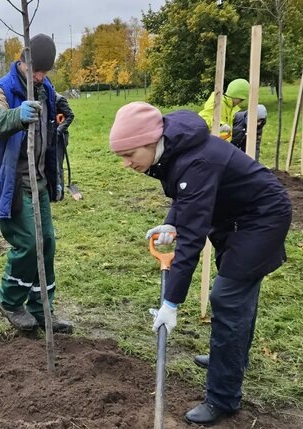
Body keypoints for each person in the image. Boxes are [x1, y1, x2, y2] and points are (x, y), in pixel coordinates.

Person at [108, 102, 292, 425]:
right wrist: (171, 222)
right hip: (241, 216)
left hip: (262, 219)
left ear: (151, 141)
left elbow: (191, 240)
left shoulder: (197, 161)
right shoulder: (175, 147)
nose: (126, 164)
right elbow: (188, 197)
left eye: (129, 155)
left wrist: (171, 303)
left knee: (228, 297)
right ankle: (229, 359)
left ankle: (223, 397)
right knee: (237, 297)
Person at [0, 33, 73, 334]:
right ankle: (10, 301)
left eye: (45, 72)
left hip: (40, 179)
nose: (40, 76)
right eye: (36, 70)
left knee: (47, 243)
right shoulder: (1, 90)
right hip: (13, 182)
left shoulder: (45, 88)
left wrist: (62, 114)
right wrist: (17, 115)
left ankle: (42, 308)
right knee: (28, 242)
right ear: (22, 61)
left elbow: (53, 116)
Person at [54, 92, 75, 200]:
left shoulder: (59, 99)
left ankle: (60, 193)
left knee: (57, 164)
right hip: (48, 136)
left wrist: (59, 130)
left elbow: (70, 115)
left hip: (60, 137)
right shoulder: (43, 98)